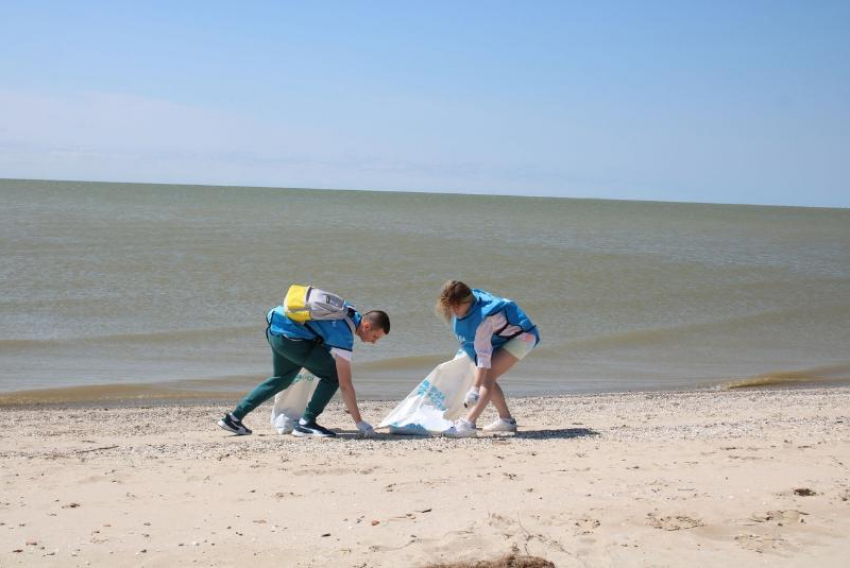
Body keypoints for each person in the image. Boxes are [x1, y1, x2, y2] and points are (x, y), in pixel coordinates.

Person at [218, 289, 390, 438]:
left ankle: (233, 418)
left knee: (281, 379)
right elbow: (345, 384)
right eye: (375, 337)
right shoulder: (344, 333)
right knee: (333, 376)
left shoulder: (349, 310)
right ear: (366, 326)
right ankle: (307, 422)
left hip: (276, 329)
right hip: (291, 339)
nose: (374, 342)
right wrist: (359, 422)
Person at [436, 280, 539, 438]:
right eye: (450, 306)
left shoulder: (484, 319)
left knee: (487, 376)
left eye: (456, 306)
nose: (453, 310)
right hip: (503, 337)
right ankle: (506, 421)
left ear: (467, 301)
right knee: (487, 376)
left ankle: (468, 424)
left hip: (523, 338)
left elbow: (483, 357)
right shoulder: (467, 306)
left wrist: (474, 389)